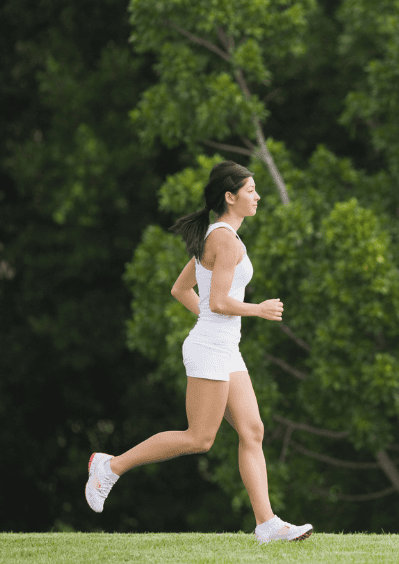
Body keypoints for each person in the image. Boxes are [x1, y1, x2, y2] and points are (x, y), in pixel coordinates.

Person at [84, 160, 313, 544]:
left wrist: (212, 319)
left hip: (223, 346)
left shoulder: (220, 237)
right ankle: (110, 467)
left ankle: (267, 524)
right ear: (230, 197)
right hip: (210, 348)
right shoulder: (224, 239)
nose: (258, 196)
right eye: (251, 190)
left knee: (252, 431)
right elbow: (219, 302)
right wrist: (257, 309)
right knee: (199, 438)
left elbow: (182, 290)